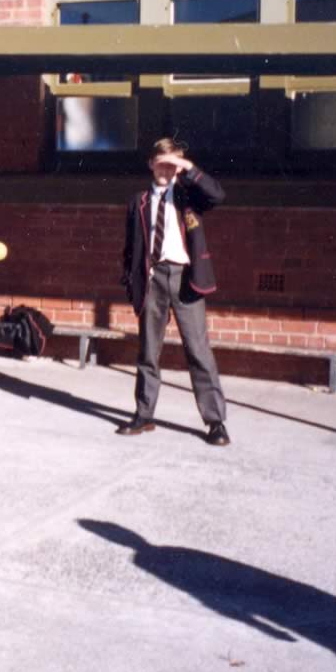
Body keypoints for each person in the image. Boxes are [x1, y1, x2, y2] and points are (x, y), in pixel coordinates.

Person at [120, 137, 229, 445]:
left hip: (185, 278)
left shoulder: (188, 196)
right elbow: (131, 247)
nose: (167, 170)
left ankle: (215, 421)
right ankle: (144, 414)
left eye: (173, 164)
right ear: (150, 164)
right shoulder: (139, 200)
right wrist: (133, 280)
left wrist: (188, 169)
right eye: (162, 163)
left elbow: (217, 194)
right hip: (153, 278)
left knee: (198, 350)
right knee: (148, 351)